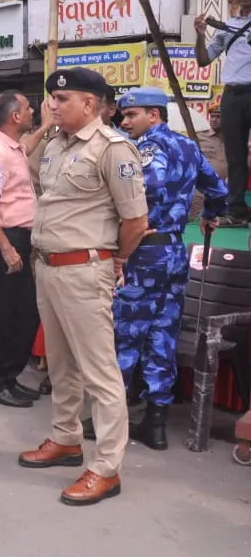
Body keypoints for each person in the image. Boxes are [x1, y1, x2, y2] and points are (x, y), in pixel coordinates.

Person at [17, 68, 149, 507]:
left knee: (100, 373)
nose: (52, 105)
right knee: (60, 364)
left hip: (85, 269)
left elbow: (136, 221)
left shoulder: (114, 149)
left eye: (63, 99)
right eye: (51, 99)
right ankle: (66, 439)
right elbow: (27, 163)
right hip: (49, 267)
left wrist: (118, 259)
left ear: (90, 104)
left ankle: (106, 468)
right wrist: (44, 125)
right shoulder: (55, 144)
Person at [111, 87, 228, 450]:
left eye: (132, 116)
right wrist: (209, 216)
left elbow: (148, 189)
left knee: (126, 333)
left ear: (155, 116)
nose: (125, 122)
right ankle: (156, 424)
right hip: (174, 251)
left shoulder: (144, 149)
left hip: (142, 250)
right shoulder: (190, 147)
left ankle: (111, 419)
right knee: (163, 333)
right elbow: (219, 191)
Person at [0, 91, 45, 407]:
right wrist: (6, 247)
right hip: (7, 238)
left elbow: (28, 147)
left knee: (24, 313)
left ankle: (9, 377)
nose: (33, 111)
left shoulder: (11, 146)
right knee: (1, 314)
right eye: (29, 108)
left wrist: (46, 125)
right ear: (15, 117)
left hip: (22, 237)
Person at [195, 0, 251, 226]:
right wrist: (199, 33)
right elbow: (204, 59)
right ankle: (237, 211)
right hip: (233, 94)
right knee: (235, 155)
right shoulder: (229, 27)